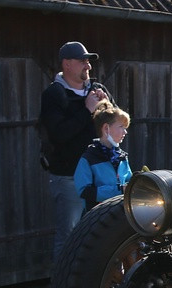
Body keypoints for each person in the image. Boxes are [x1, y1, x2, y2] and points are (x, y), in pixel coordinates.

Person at [38, 41, 110, 261]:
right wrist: (87, 110)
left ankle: (90, 284)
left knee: (99, 232)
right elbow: (59, 134)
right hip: (69, 176)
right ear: (67, 64)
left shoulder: (98, 91)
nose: (87, 66)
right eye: (82, 61)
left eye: (88, 61)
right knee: (69, 235)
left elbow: (117, 126)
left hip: (99, 177)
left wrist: (107, 107)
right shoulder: (54, 94)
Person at [74, 102, 133, 212]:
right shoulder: (88, 158)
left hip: (121, 214)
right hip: (97, 217)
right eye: (121, 127)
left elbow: (129, 181)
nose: (125, 132)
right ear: (106, 128)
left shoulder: (122, 157)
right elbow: (84, 191)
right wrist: (119, 190)